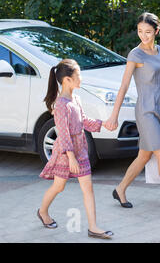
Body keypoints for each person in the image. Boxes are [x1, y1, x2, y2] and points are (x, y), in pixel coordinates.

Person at [105, 12, 160, 215]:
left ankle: (120, 190)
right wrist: (114, 116)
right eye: (140, 31)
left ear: (156, 31)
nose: (143, 36)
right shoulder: (135, 55)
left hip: (159, 109)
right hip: (145, 111)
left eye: (147, 32)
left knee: (144, 156)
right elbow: (124, 86)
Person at [38, 59, 114, 239]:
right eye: (78, 76)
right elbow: (63, 135)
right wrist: (71, 158)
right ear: (67, 80)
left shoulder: (76, 99)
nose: (81, 79)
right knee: (59, 186)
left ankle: (93, 227)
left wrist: (103, 124)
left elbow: (83, 121)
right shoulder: (61, 105)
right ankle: (42, 212)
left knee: (88, 188)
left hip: (81, 150)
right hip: (66, 154)